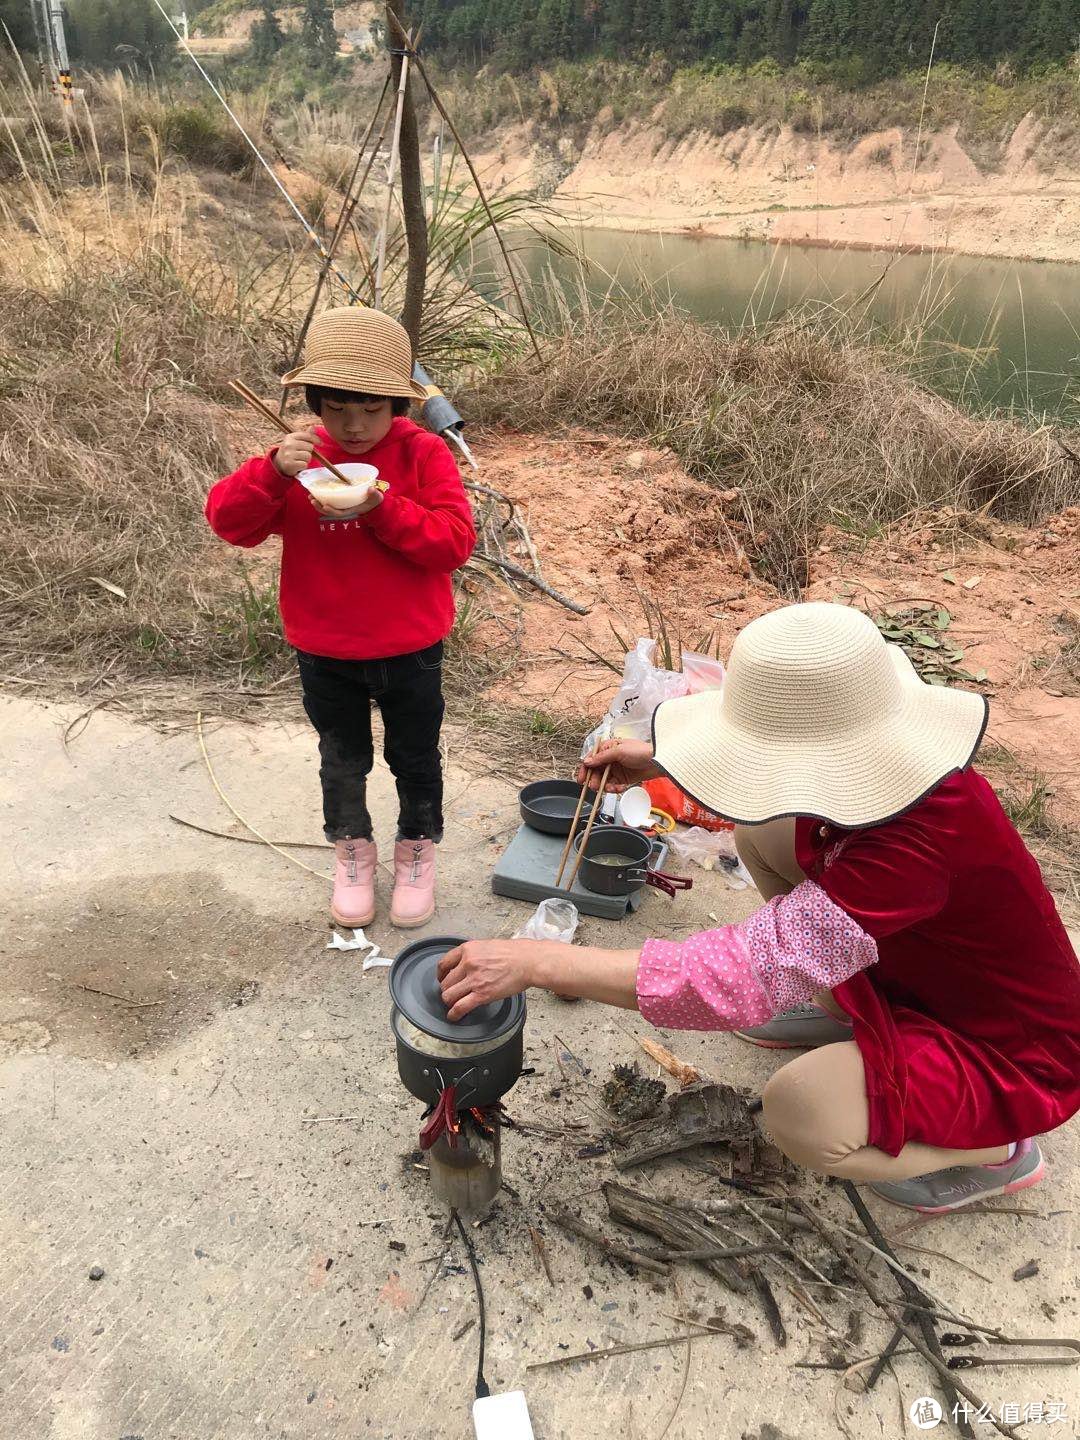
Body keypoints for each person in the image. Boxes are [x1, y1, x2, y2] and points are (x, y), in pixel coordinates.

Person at [438, 602, 1080, 1212]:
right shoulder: (894, 775)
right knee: (766, 835)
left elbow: (735, 974)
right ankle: (846, 1006)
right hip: (923, 975)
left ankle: (1000, 1149)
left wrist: (539, 961)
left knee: (801, 1113)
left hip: (1005, 1050)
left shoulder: (917, 844)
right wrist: (660, 764)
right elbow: (778, 783)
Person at [206, 307, 476, 930]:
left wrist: (381, 507)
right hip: (324, 647)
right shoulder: (298, 459)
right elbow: (229, 524)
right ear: (315, 403)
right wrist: (271, 472)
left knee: (415, 756)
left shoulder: (423, 452)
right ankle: (352, 852)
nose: (353, 426)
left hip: (410, 646)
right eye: (336, 407)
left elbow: (454, 543)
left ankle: (416, 851)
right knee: (341, 758)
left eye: (371, 408)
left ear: (396, 403)